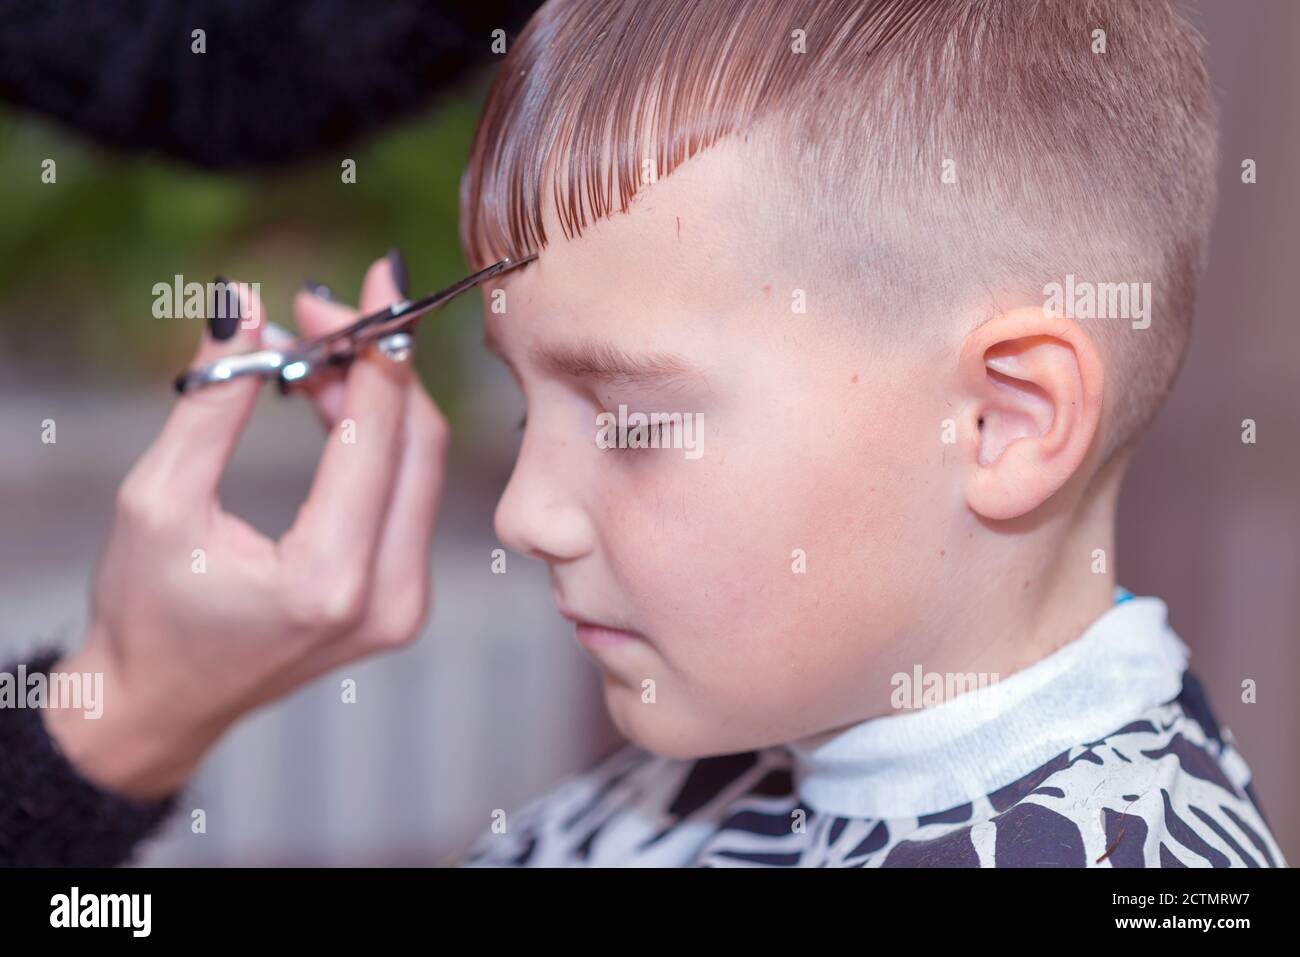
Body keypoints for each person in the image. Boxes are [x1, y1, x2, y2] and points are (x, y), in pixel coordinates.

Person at [2, 0, 1286, 868]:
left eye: (628, 417)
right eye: (523, 398)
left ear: (1005, 417)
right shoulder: (718, 757)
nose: (522, 515)